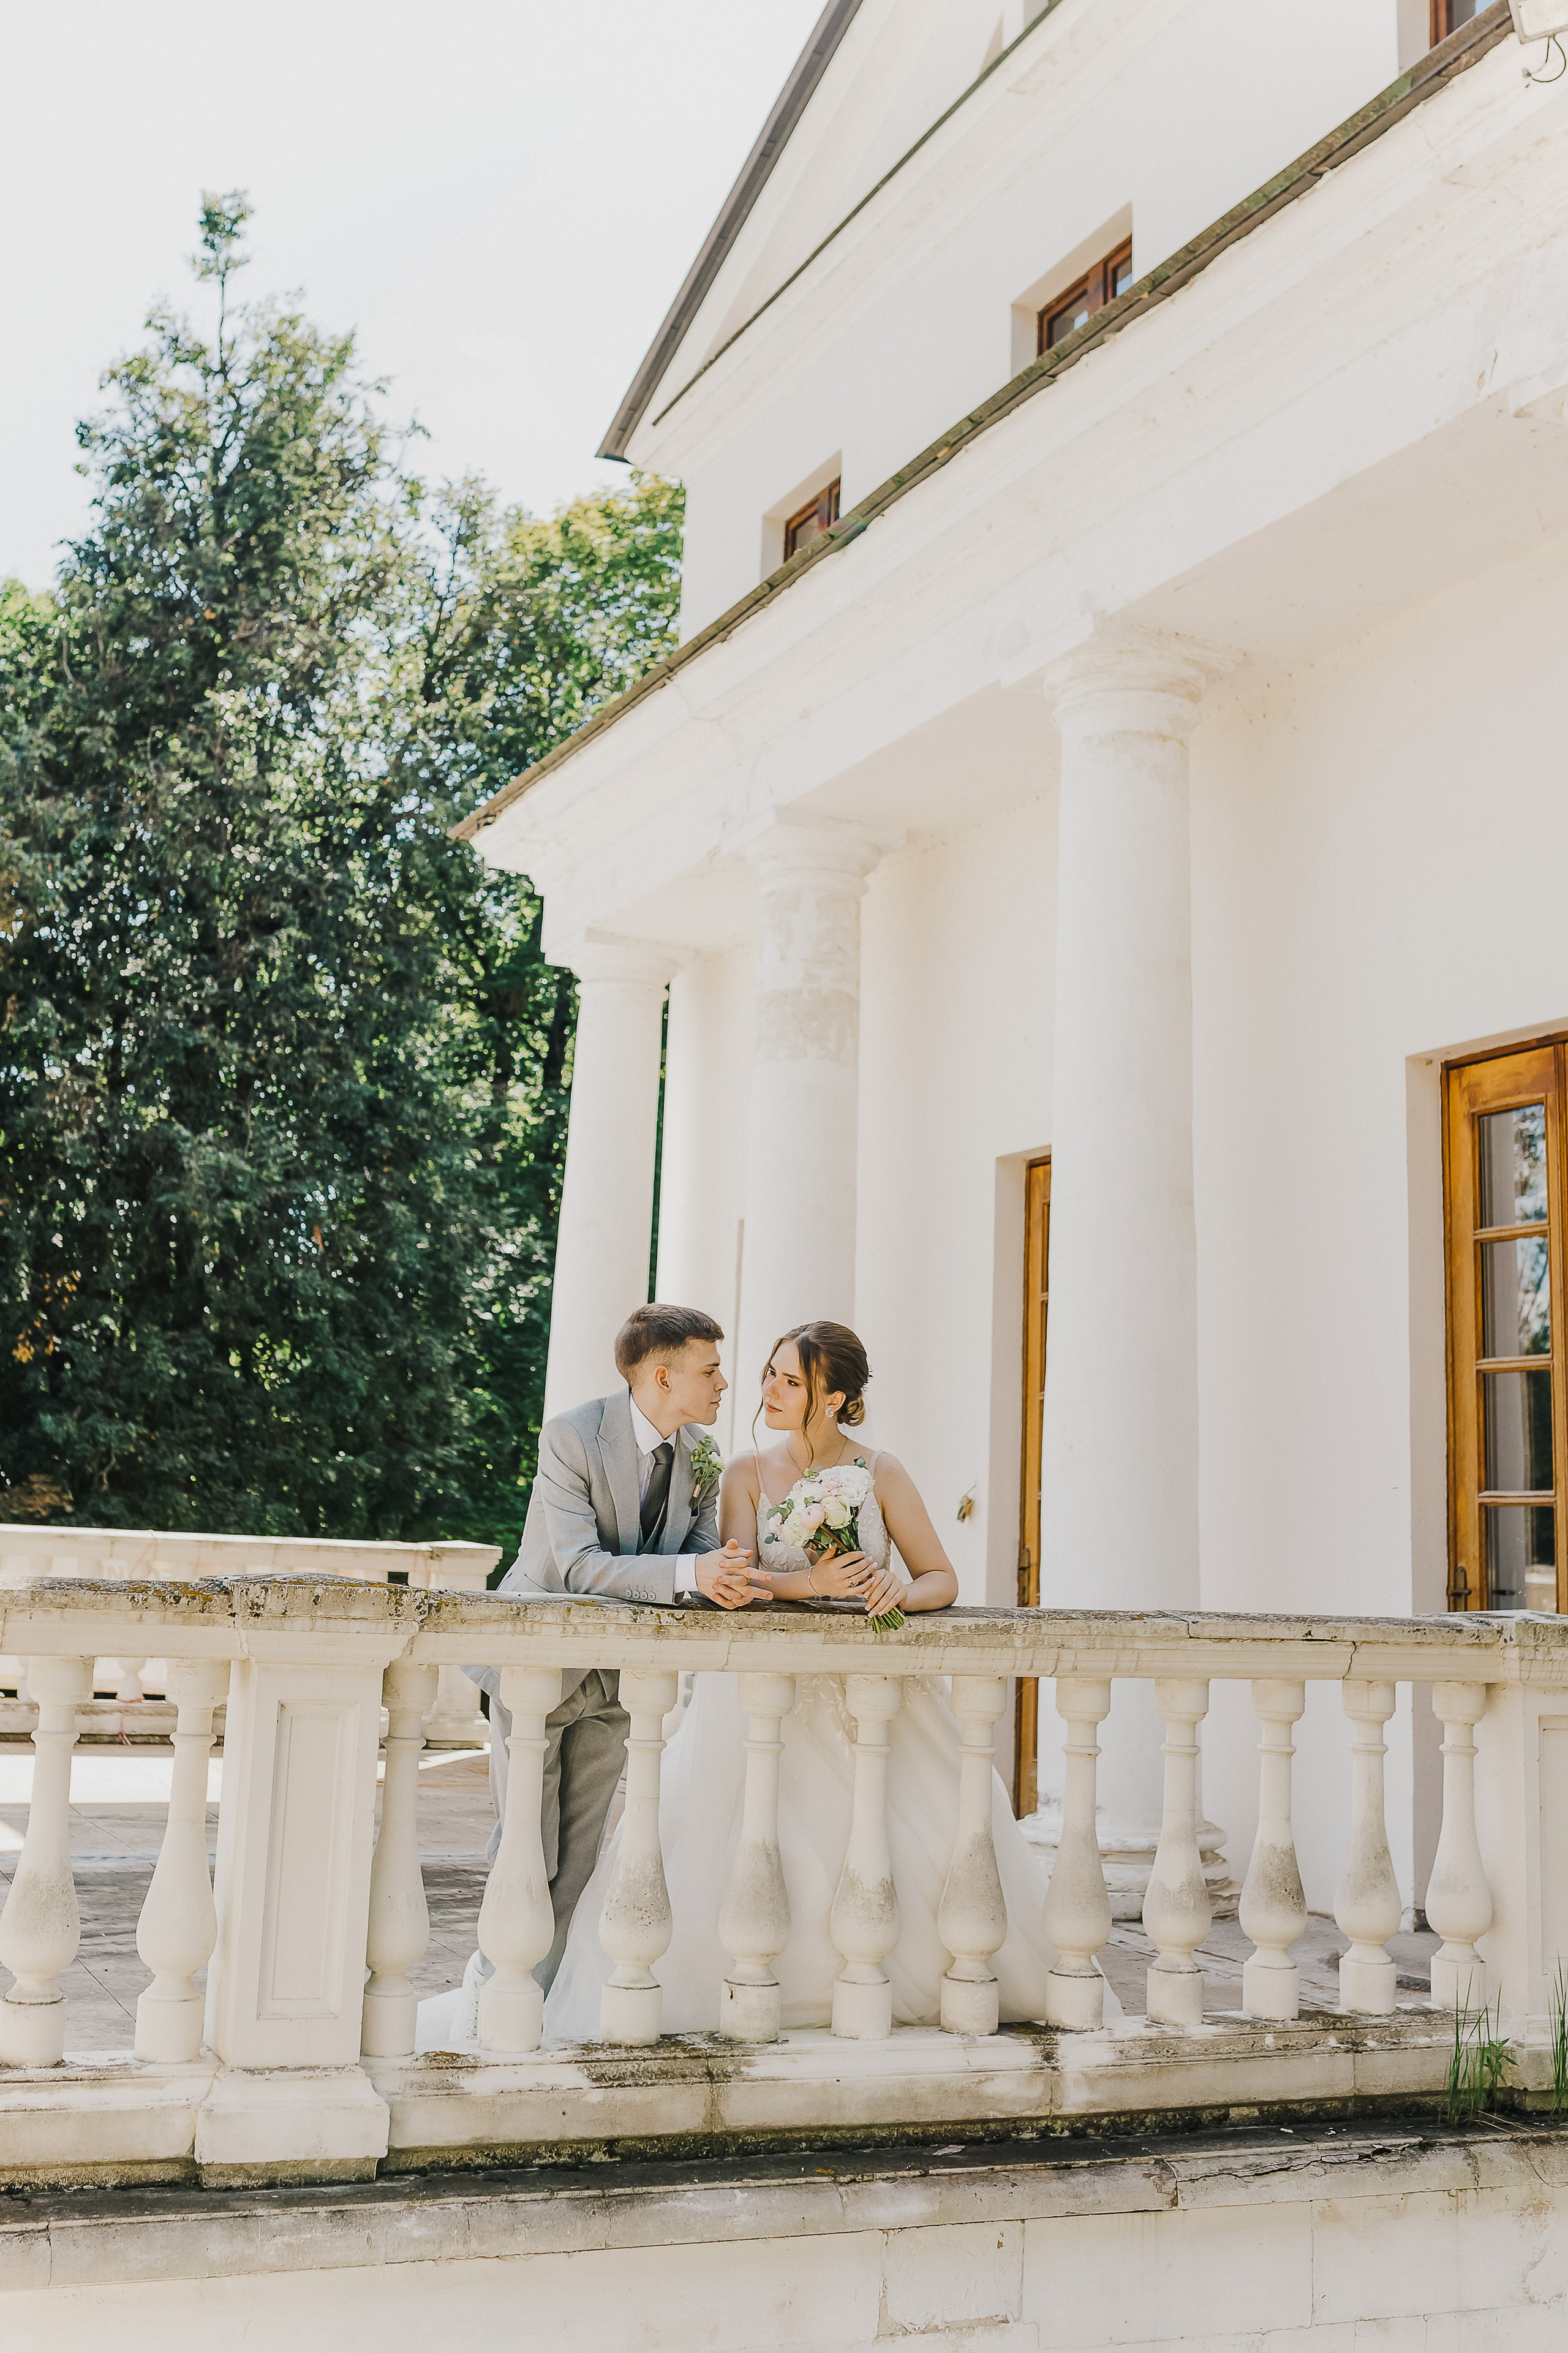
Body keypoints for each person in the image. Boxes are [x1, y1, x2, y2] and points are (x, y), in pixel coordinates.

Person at [541, 1319, 1115, 2037]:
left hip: (871, 1693)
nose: (767, 1390)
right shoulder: (741, 1471)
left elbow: (942, 1576)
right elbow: (738, 1577)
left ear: (837, 1397)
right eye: (770, 1374)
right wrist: (808, 1580)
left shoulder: (882, 1471)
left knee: (908, 1843)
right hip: (771, 1694)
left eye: (791, 1381)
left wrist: (894, 1591)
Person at [434, 1304, 769, 2039]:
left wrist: (736, 1577)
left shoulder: (701, 1456)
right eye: (710, 1369)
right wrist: (694, 1570)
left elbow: (706, 1560)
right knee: (527, 1844)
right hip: (536, 1669)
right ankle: (489, 2005)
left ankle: (537, 2008)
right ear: (661, 1375)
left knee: (579, 1860)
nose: (723, 1383)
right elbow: (581, 1565)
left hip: (618, 1682)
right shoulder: (572, 1435)